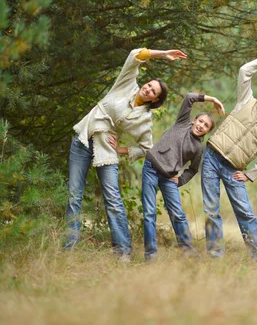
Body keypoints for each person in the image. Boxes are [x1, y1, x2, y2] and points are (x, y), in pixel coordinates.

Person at [64, 47, 187, 261]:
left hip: (106, 149)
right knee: (75, 195)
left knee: (112, 198)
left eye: (153, 92)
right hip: (83, 139)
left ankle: (123, 250)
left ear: (154, 100)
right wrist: (163, 54)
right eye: (149, 86)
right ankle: (69, 246)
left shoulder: (144, 119)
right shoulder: (127, 84)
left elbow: (147, 147)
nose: (148, 90)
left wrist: (122, 150)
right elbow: (134, 55)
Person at [202, 51, 257, 259]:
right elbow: (244, 71)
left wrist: (250, 174)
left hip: (234, 169)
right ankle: (215, 254)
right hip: (212, 157)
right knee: (211, 209)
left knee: (245, 212)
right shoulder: (246, 100)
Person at [124, 92, 225, 261]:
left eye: (206, 125)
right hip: (151, 168)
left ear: (207, 131)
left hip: (169, 177)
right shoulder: (182, 123)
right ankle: (151, 255)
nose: (201, 125)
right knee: (149, 213)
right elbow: (189, 98)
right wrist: (213, 98)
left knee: (178, 214)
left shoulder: (198, 149)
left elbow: (192, 169)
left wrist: (180, 180)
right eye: (200, 121)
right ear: (194, 120)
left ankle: (189, 253)